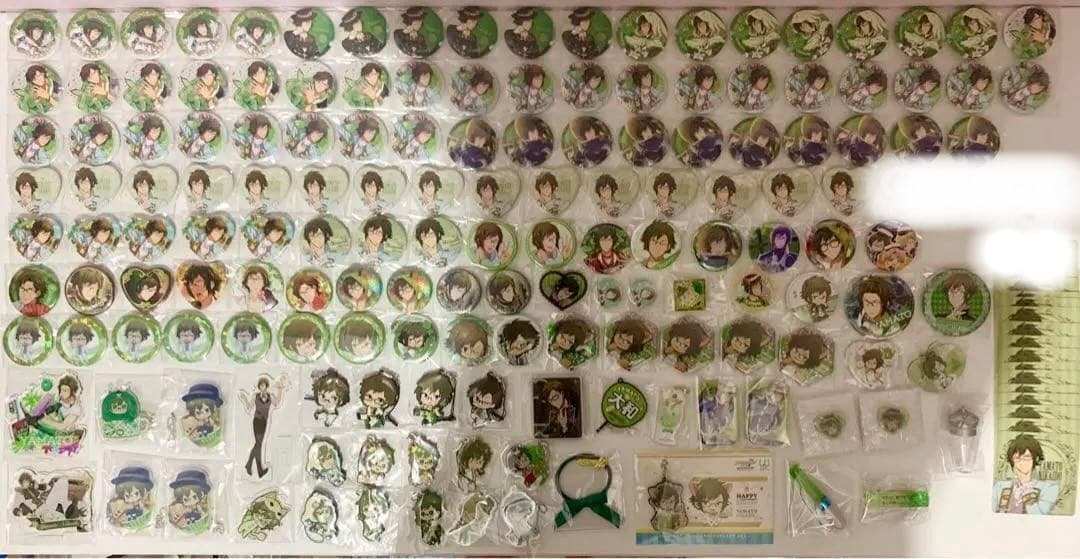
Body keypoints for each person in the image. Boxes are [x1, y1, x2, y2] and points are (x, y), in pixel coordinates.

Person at [993, 435, 1060, 514]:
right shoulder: (999, 486)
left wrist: (1025, 483)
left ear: (1036, 459)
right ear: (1012, 460)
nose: (1022, 462)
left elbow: (1039, 514)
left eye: (1027, 457)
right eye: (1017, 458)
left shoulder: (1049, 488)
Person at [239, 375, 285, 478]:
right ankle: (259, 469)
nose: (262, 387)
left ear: (266, 386)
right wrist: (244, 399)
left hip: (264, 422)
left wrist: (281, 390)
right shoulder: (255, 396)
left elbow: (277, 404)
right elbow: (249, 408)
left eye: (264, 385)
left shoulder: (271, 396)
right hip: (256, 421)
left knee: (258, 444)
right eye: (260, 385)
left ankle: (249, 465)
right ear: (259, 386)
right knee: (258, 444)